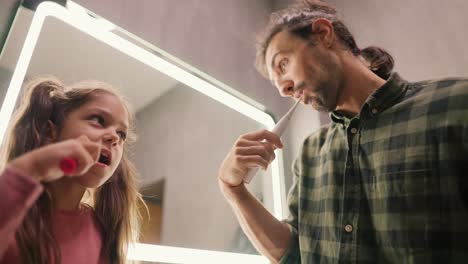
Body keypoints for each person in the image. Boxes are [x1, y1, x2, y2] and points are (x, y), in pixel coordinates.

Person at [218, 0, 468, 263]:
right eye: (276, 82)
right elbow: (294, 253)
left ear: (324, 34)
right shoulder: (310, 154)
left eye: (282, 65)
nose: (283, 89)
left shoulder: (456, 105)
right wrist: (232, 189)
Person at [0, 76, 144, 264]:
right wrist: (32, 167)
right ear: (50, 132)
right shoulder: (12, 211)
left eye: (121, 134)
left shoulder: (100, 230)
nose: (114, 138)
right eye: (98, 120)